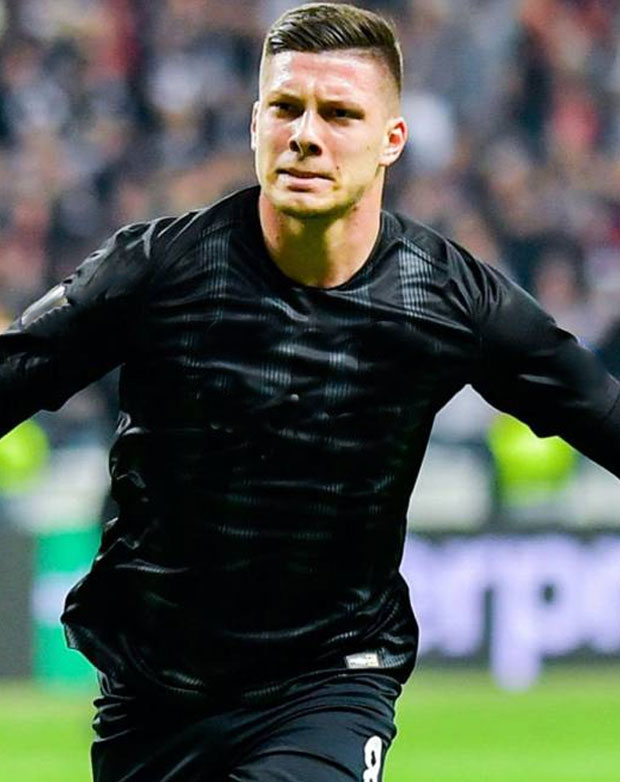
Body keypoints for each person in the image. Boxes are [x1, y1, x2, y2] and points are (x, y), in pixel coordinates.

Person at [1, 3, 619, 780]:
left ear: (392, 139)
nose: (305, 134)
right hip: (153, 692)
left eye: (339, 114)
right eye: (286, 108)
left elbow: (601, 411)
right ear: (255, 124)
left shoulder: (448, 299)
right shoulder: (158, 272)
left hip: (330, 681)